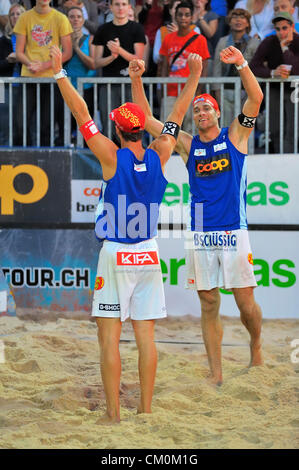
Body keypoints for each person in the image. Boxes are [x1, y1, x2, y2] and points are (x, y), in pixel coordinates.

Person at [50, 45, 202, 423]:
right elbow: (177, 114)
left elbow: (81, 113)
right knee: (146, 339)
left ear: (118, 128)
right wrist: (194, 77)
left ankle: (114, 415)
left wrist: (59, 73)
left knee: (109, 340)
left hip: (116, 253)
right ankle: (146, 410)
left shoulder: (109, 156)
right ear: (139, 129)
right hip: (148, 253)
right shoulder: (161, 151)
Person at [131, 45, 264, 385]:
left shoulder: (235, 134)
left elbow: (256, 96)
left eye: (207, 107)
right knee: (208, 303)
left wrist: (242, 64)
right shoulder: (188, 143)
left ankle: (256, 344)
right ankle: (216, 372)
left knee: (244, 300)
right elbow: (147, 123)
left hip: (234, 229)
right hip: (200, 230)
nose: (201, 111)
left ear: (217, 113)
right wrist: (136, 79)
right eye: (197, 108)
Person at [14, 0, 73, 146]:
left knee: (46, 125)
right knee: (20, 122)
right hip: (28, 77)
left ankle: (45, 160)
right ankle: (24, 156)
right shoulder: (25, 17)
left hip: (51, 79)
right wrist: (31, 64)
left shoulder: (61, 18)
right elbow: (19, 52)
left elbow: (67, 52)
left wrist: (45, 66)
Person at [92, 0, 146, 140]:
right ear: (110, 7)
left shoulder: (137, 28)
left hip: (131, 84)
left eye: (123, 4)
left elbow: (139, 59)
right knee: (108, 124)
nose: (120, 8)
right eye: (116, 4)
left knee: (133, 124)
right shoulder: (103, 30)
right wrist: (112, 57)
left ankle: (133, 157)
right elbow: (95, 62)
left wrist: (119, 50)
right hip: (108, 84)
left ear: (129, 7)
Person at [250, 11, 299, 153]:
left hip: (294, 88)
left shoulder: (297, 41)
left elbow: (295, 69)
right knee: (275, 127)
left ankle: (291, 159)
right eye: (278, 29)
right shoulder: (269, 41)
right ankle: (278, 158)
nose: (281, 32)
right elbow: (253, 66)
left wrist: (284, 49)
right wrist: (272, 73)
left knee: (293, 128)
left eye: (284, 28)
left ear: (291, 27)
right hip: (274, 88)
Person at [159, 1, 210, 132]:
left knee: (189, 130)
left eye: (187, 15)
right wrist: (162, 88)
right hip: (170, 91)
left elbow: (204, 67)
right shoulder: (168, 38)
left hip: (190, 90)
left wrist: (198, 90)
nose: (183, 18)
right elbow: (164, 65)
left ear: (192, 17)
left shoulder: (200, 39)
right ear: (175, 16)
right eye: (180, 15)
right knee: (168, 129)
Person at [212, 8, 260, 126]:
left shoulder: (254, 43)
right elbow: (216, 70)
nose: (238, 20)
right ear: (229, 21)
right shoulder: (222, 42)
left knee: (245, 127)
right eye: (235, 17)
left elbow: (257, 68)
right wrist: (218, 93)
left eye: (242, 17)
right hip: (226, 91)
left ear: (248, 23)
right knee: (226, 126)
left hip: (246, 92)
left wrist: (253, 95)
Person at [63, 5, 96, 140]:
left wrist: (76, 48)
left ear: (83, 20)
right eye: (72, 17)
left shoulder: (91, 39)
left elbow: (92, 64)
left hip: (86, 89)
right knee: (65, 124)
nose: (75, 20)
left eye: (78, 17)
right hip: (66, 89)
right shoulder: (62, 39)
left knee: (86, 126)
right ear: (67, 20)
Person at [0, 2, 25, 146]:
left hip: (25, 85)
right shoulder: (3, 41)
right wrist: (8, 60)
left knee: (21, 124)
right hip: (4, 86)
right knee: (4, 124)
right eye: (12, 14)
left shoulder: (30, 40)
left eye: (18, 14)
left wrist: (21, 58)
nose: (15, 17)